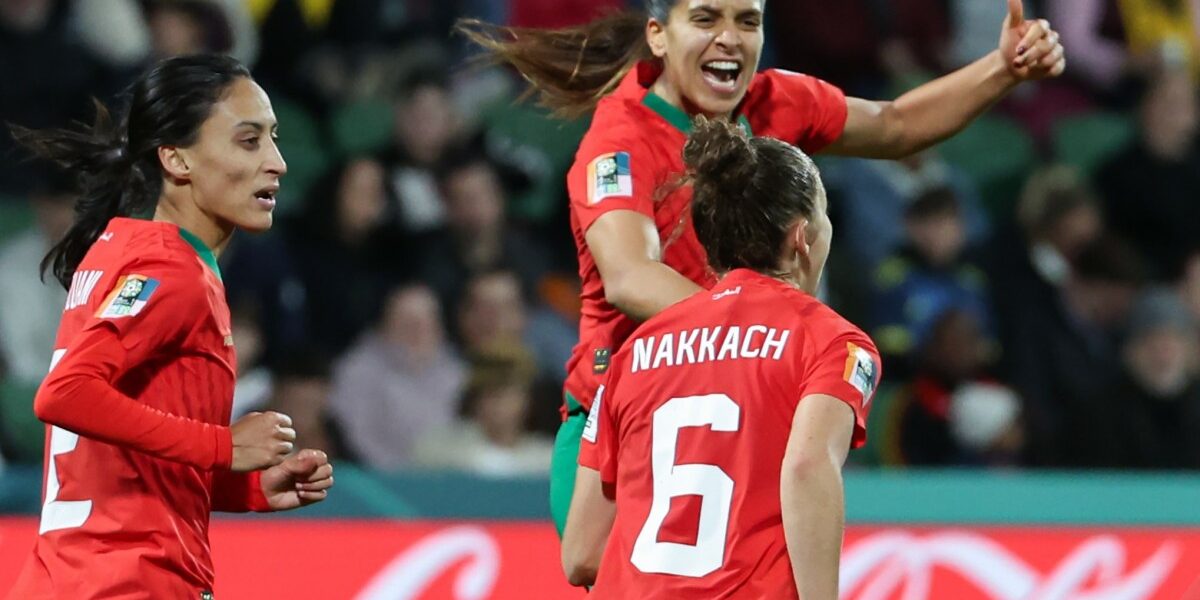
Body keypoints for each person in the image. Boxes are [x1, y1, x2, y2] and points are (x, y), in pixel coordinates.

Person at [461, 0, 1065, 534]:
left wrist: (1002, 69)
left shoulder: (774, 101)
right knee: (604, 570)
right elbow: (629, 276)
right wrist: (768, 332)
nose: (730, 37)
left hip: (738, 413)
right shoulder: (619, 142)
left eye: (747, 21)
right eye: (705, 18)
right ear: (658, 35)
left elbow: (897, 124)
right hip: (624, 424)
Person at [6, 54, 334, 599]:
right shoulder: (170, 270)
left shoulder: (119, 251)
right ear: (176, 159)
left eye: (273, 138)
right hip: (127, 583)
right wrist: (223, 446)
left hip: (68, 577)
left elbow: (115, 460)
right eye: (248, 141)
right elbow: (64, 395)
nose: (277, 162)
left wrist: (244, 487)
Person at [561, 119, 880, 598]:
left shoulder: (633, 352)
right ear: (802, 237)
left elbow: (581, 553)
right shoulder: (833, 343)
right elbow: (806, 468)